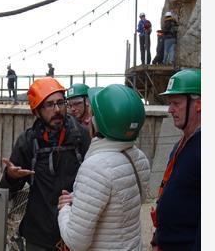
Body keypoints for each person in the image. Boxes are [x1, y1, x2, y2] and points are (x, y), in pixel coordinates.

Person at [0, 77, 91, 250]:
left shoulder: (81, 136)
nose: (57, 109)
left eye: (60, 103)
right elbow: (6, 191)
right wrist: (11, 177)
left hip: (76, 230)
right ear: (37, 111)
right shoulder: (27, 142)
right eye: (49, 105)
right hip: (40, 235)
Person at [58, 84, 151, 250]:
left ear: (98, 123)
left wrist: (65, 209)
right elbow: (123, 202)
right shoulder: (139, 158)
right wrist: (80, 198)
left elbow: (76, 241)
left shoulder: (95, 168)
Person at [150, 69, 201, 250]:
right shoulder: (180, 145)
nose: (170, 109)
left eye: (176, 103)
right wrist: (158, 238)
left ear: (198, 104)